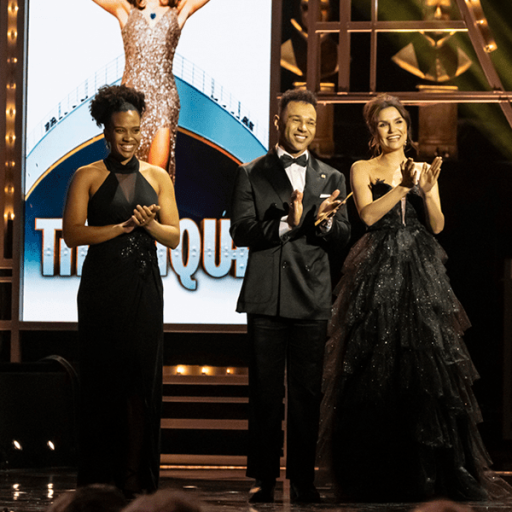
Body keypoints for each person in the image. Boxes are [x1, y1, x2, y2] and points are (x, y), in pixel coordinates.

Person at [318, 94, 512, 503]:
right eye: (385, 125)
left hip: (419, 263)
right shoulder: (362, 168)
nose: (393, 130)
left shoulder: (425, 169)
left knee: (425, 363)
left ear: (408, 128)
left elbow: (440, 226)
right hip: (377, 265)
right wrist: (403, 188)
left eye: (399, 123)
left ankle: (428, 471)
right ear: (374, 132)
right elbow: (368, 217)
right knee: (375, 362)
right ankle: (374, 469)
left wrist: (425, 191)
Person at [230, 88, 350, 504]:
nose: (304, 129)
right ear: (280, 122)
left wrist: (322, 224)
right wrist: (287, 223)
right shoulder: (251, 172)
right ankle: (263, 477)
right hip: (266, 296)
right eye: (297, 120)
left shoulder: (332, 178)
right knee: (264, 393)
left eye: (311, 123)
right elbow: (240, 230)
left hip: (311, 296)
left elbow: (343, 236)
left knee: (306, 395)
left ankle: (303, 479)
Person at [63, 85, 181, 496]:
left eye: (134, 130)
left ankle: (136, 479)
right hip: (101, 290)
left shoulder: (157, 176)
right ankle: (100, 481)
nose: (128, 138)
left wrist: (147, 225)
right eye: (120, 131)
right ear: (105, 130)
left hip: (144, 290)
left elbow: (174, 237)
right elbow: (72, 234)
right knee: (103, 384)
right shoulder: (87, 176)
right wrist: (122, 227)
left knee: (139, 385)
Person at [92, 0, 211, 181]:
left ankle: (153, 208)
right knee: (128, 173)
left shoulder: (178, 9)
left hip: (164, 98)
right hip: (130, 102)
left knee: (157, 173)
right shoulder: (125, 9)